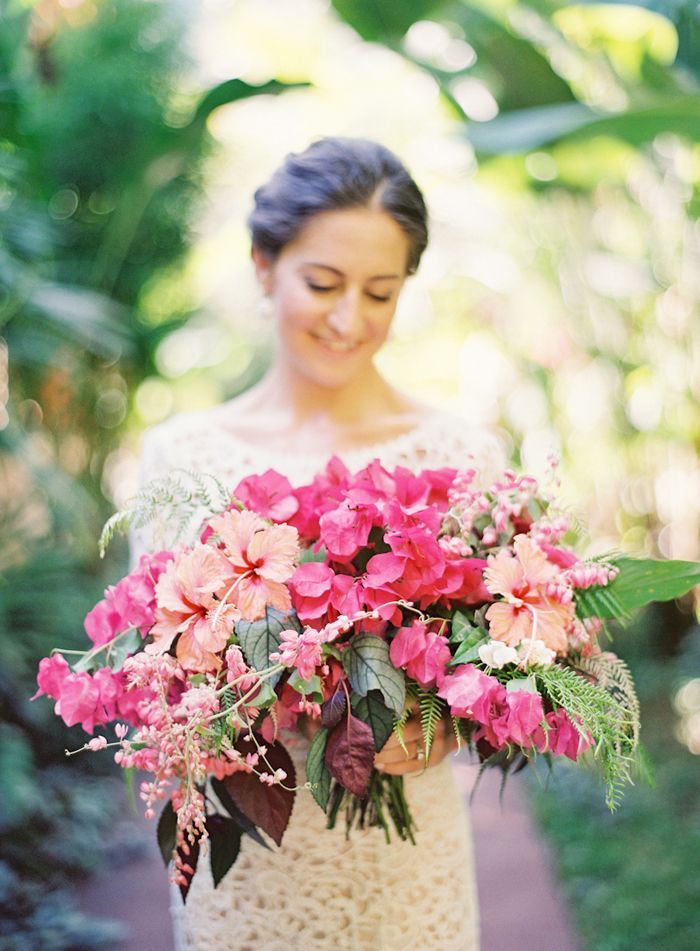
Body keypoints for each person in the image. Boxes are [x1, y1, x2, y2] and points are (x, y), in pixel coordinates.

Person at [129, 135, 506, 950]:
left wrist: (447, 721)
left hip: (411, 876)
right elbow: (150, 675)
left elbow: (507, 668)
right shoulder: (182, 456)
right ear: (264, 265)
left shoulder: (461, 453)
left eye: (380, 292)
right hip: (254, 877)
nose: (349, 319)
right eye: (323, 283)